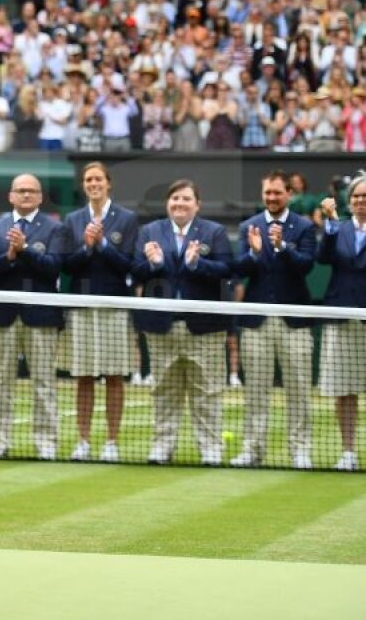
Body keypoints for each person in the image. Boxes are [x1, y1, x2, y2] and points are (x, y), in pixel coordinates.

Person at [131, 179, 232, 466]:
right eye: (175, 198)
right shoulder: (149, 232)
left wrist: (197, 264)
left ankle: (211, 450)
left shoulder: (215, 232)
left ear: (197, 205)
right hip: (162, 326)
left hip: (204, 328)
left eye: (186, 199)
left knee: (208, 392)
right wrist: (152, 263)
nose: (180, 203)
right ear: (167, 203)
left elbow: (228, 270)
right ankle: (162, 448)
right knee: (164, 391)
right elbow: (135, 272)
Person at [230, 171, 316, 469]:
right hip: (257, 322)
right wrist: (254, 254)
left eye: (277, 192)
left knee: (299, 390)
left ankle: (300, 451)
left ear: (288, 193)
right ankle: (252, 450)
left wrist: (282, 247)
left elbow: (306, 266)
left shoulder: (303, 227)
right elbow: (238, 268)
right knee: (255, 390)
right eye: (267, 192)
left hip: (295, 321)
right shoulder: (248, 227)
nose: (272, 198)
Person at [0, 173, 66, 460]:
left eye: (31, 191)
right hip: (4, 316)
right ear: (11, 196)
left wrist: (25, 250)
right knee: (0, 382)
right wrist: (10, 257)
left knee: (44, 383)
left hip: (41, 317)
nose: (26, 195)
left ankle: (46, 443)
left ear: (40, 197)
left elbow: (53, 268)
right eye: (21, 191)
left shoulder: (54, 228)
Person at [60, 162, 139, 462]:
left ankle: (112, 442)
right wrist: (86, 248)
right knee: (83, 377)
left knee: (114, 377)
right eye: (89, 179)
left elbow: (129, 265)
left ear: (108, 184)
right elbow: (67, 265)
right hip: (81, 306)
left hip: (115, 306)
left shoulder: (128, 219)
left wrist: (103, 245)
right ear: (84, 185)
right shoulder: (73, 220)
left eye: (99, 179)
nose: (94, 184)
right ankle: (83, 440)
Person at [316, 178, 366, 471]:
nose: (362, 201)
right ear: (350, 201)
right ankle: (348, 452)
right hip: (342, 316)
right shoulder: (339, 228)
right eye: (357, 196)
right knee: (344, 390)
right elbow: (323, 258)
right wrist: (331, 223)